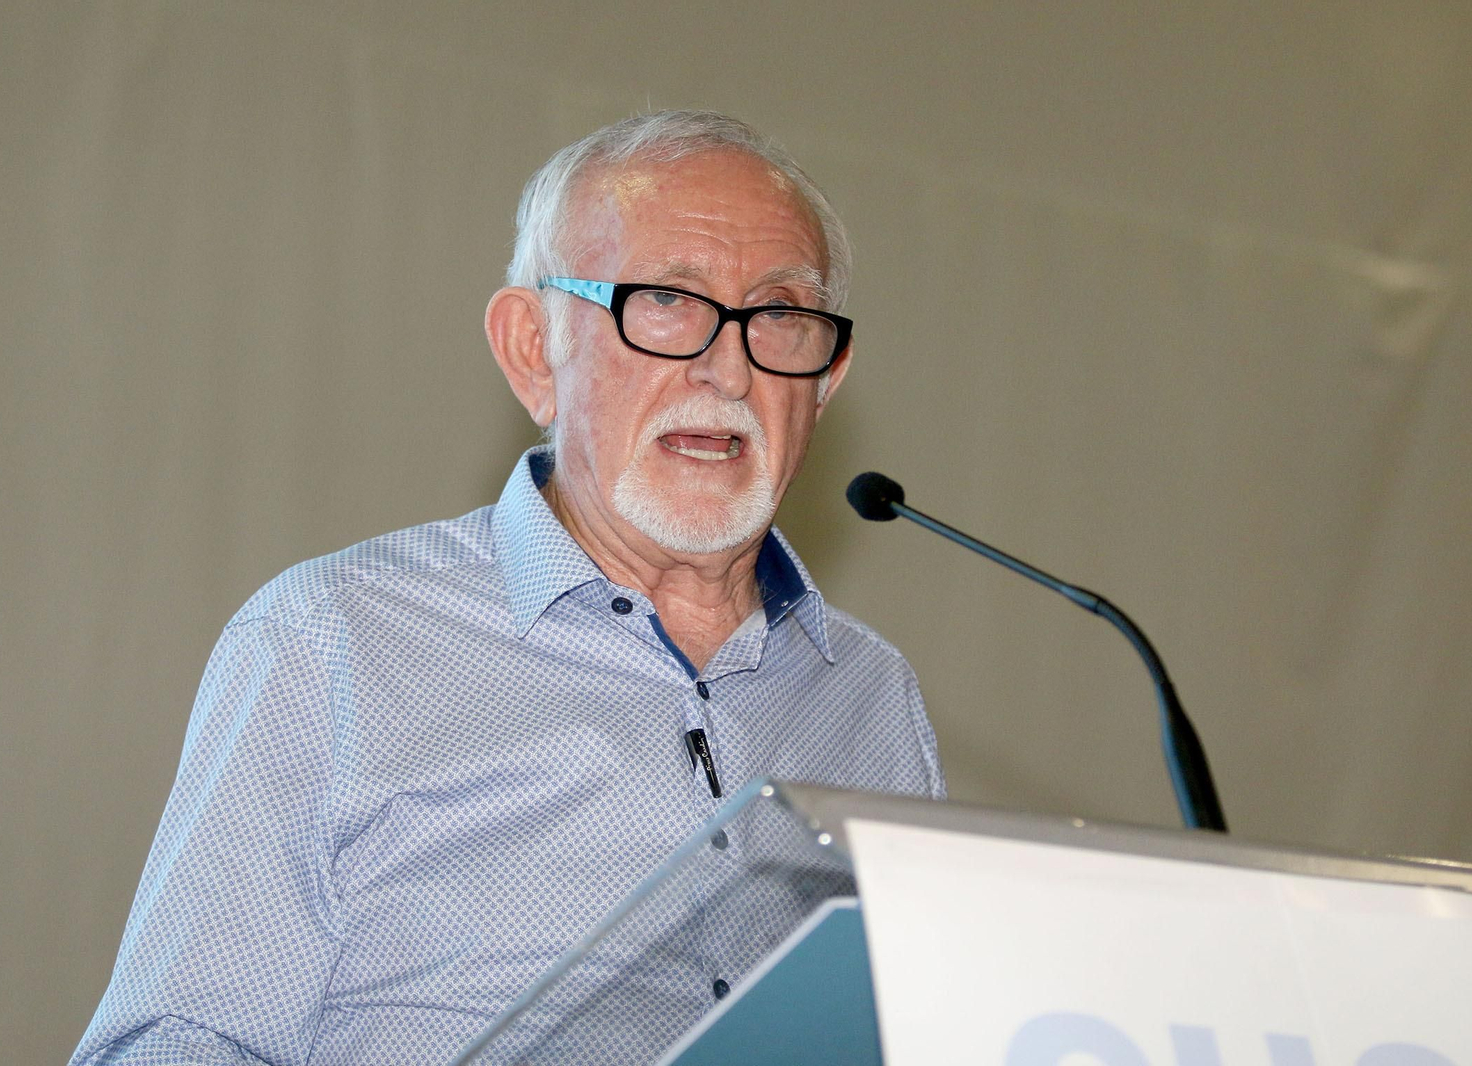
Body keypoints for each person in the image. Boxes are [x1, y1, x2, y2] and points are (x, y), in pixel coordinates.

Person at [70, 110, 944, 1066]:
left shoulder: (874, 697)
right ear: (534, 348)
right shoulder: (334, 638)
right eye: (664, 302)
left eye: (780, 316)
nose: (728, 366)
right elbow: (172, 1047)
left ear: (825, 379)